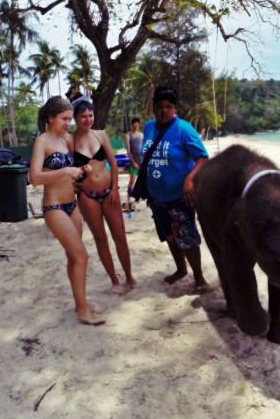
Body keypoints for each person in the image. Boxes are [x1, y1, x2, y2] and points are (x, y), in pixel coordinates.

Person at [29, 96, 104, 325]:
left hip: (72, 205)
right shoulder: (42, 141)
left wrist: (79, 170)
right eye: (64, 119)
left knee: (74, 256)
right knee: (82, 256)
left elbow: (69, 170)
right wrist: (65, 171)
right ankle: (82, 310)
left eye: (70, 119)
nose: (68, 123)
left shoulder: (64, 140)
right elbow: (35, 178)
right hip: (54, 207)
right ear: (51, 118)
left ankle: (81, 303)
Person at [143, 85, 209, 289]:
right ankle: (181, 269)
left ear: (175, 109)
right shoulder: (149, 127)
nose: (164, 111)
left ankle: (199, 277)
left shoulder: (183, 129)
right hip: (156, 197)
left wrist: (190, 179)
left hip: (179, 196)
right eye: (159, 106)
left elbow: (202, 158)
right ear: (153, 108)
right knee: (170, 236)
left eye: (169, 106)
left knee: (187, 238)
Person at [71, 94, 137, 294]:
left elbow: (113, 163)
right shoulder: (69, 141)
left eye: (90, 115)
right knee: (100, 239)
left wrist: (115, 189)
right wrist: (73, 181)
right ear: (75, 118)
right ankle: (115, 280)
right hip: (87, 195)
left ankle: (129, 276)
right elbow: (63, 168)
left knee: (120, 236)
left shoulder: (100, 135)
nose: (88, 120)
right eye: (83, 116)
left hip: (109, 191)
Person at [125, 117, 143, 206]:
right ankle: (128, 198)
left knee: (143, 180)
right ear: (132, 125)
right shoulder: (128, 135)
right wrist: (133, 162)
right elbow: (128, 151)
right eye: (135, 125)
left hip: (142, 161)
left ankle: (141, 196)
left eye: (138, 125)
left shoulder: (142, 135)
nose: (136, 127)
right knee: (132, 180)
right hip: (134, 162)